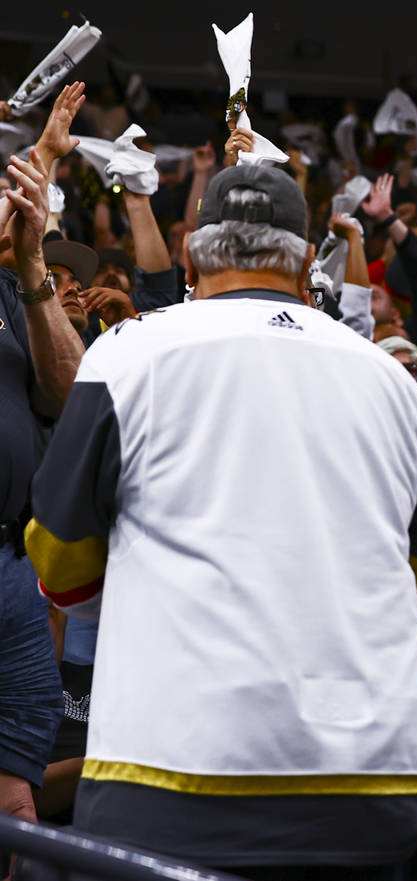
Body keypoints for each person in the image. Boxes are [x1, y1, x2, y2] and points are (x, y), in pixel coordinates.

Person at [24, 164, 417, 878]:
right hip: (379, 783)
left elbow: (61, 566)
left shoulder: (127, 352)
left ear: (190, 253)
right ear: (307, 258)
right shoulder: (396, 385)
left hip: (176, 776)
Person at [0, 88, 84, 834]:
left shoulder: (14, 282)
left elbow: (70, 390)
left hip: (7, 564)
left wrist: (31, 269)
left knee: (20, 797)